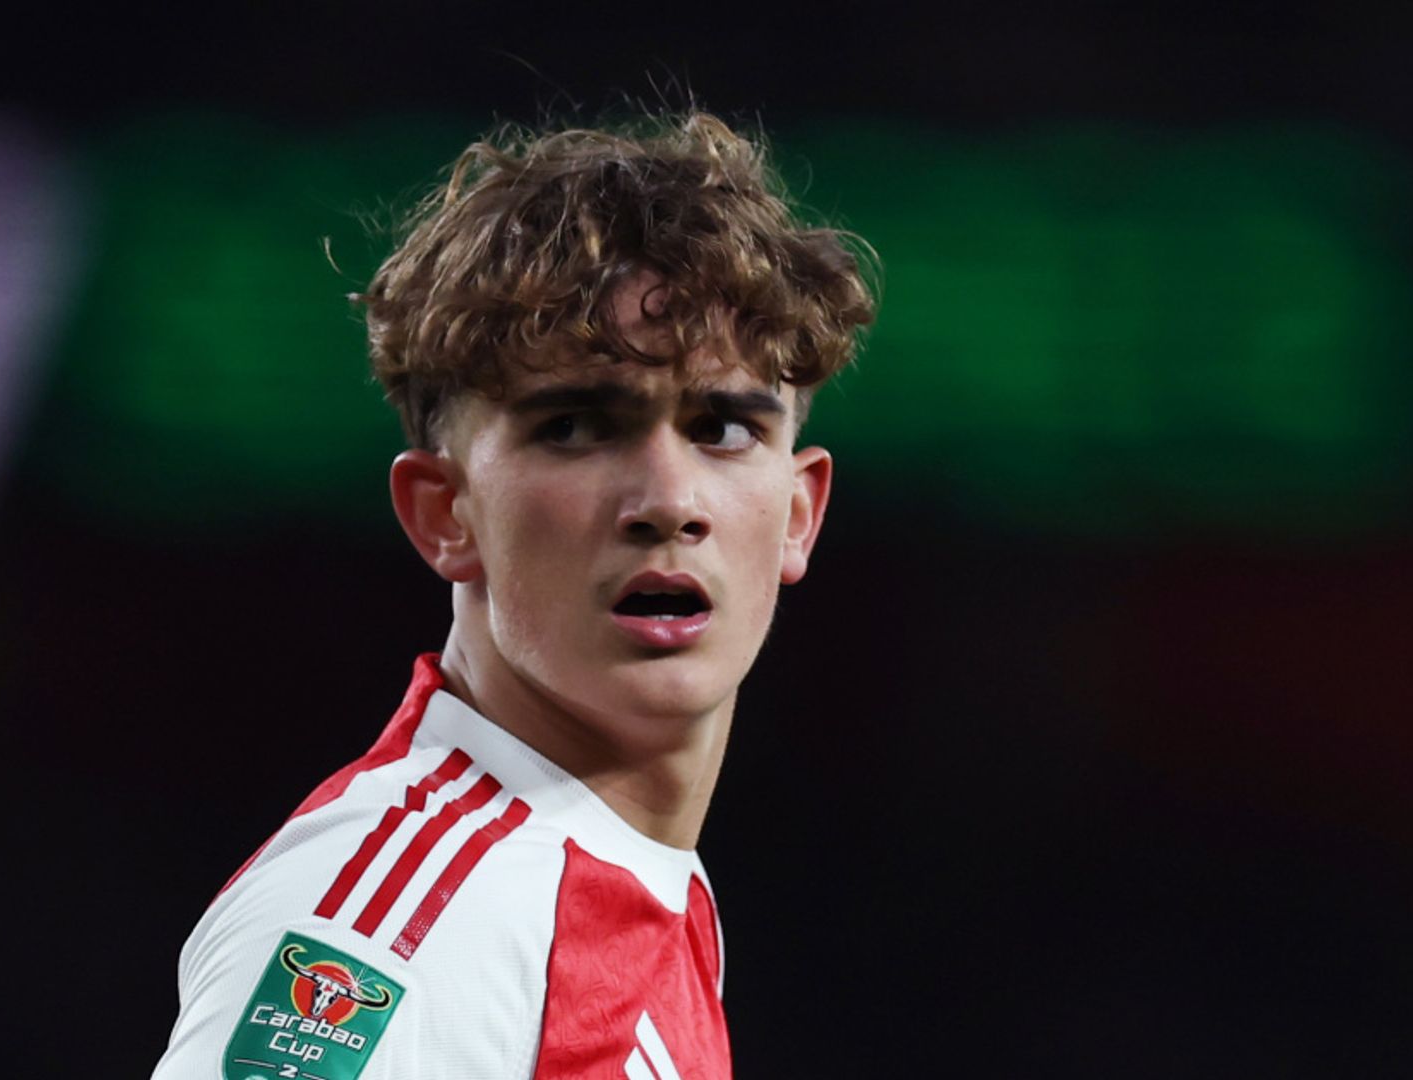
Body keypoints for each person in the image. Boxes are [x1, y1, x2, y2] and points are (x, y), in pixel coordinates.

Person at [151, 109, 876, 1079]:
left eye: (723, 429)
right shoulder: (389, 936)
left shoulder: (629, 882)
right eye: (575, 427)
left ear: (798, 513)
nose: (669, 502)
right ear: (443, 512)